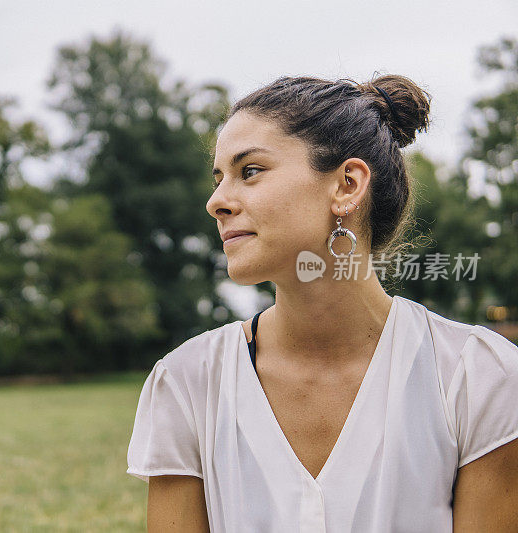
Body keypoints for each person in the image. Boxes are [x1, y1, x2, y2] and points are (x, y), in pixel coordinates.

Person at [125, 74, 518, 532]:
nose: (216, 202)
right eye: (218, 178)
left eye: (249, 171)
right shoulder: (187, 383)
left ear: (347, 185)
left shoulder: (480, 377)